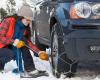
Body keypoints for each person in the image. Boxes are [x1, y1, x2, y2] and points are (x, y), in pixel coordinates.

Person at [0, 3, 48, 77]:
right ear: (20, 17)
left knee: (23, 41)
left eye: (30, 20)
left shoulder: (24, 28)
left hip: (9, 47)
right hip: (2, 47)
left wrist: (39, 52)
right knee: (10, 53)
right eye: (27, 19)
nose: (28, 22)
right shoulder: (8, 21)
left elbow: (28, 43)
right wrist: (13, 42)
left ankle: (30, 69)